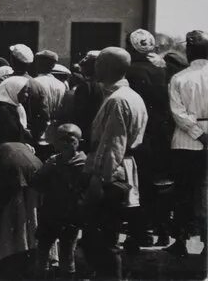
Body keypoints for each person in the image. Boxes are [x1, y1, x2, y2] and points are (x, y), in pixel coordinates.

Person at [79, 47, 148, 280]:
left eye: (99, 63)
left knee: (102, 239)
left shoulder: (118, 100)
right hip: (122, 169)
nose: (94, 67)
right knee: (104, 236)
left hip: (110, 174)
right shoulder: (132, 96)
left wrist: (98, 180)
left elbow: (111, 146)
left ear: (107, 67)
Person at [123, 29, 172, 252]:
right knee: (157, 185)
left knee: (135, 183)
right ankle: (162, 231)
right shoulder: (162, 69)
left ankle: (140, 233)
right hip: (160, 134)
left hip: (138, 133)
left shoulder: (129, 71)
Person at [166, 29, 208, 258]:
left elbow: (177, 112)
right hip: (199, 140)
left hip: (185, 142)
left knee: (183, 193)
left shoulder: (179, 78)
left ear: (188, 51)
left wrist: (197, 132)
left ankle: (180, 240)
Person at [0, 139, 42, 277]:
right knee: (29, 216)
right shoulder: (24, 148)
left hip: (12, 171)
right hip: (35, 168)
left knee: (12, 218)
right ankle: (29, 257)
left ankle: (4, 260)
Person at [31, 123, 89, 277]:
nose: (66, 144)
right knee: (42, 250)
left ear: (79, 142)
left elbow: (87, 190)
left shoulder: (84, 164)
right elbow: (37, 182)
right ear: (55, 142)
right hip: (50, 213)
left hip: (70, 216)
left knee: (67, 253)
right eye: (61, 140)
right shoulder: (52, 162)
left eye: (71, 140)